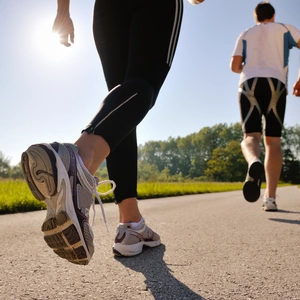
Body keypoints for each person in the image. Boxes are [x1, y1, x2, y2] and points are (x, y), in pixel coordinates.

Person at [21, 0, 206, 265]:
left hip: (108, 7)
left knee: (121, 104)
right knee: (143, 83)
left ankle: (131, 223)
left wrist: (63, 11)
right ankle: (79, 161)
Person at [230, 2, 300, 211]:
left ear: (256, 17)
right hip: (276, 84)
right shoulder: (285, 28)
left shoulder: (246, 33)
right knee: (273, 142)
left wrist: (248, 66)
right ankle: (270, 198)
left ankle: (253, 161)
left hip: (248, 83)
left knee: (251, 137)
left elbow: (234, 66)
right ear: (273, 14)